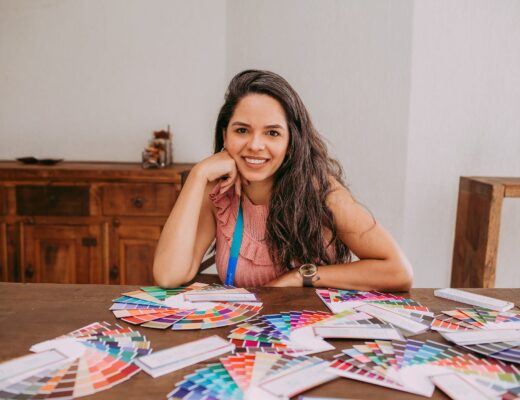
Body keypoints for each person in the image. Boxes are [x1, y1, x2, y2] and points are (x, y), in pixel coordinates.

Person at [153, 70, 413, 290]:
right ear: (225, 134)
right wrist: (197, 176)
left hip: (308, 339)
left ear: (291, 142)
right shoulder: (218, 190)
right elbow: (168, 275)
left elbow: (398, 271)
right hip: (244, 339)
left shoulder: (320, 190)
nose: (255, 145)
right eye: (242, 130)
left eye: (272, 133)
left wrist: (301, 276)